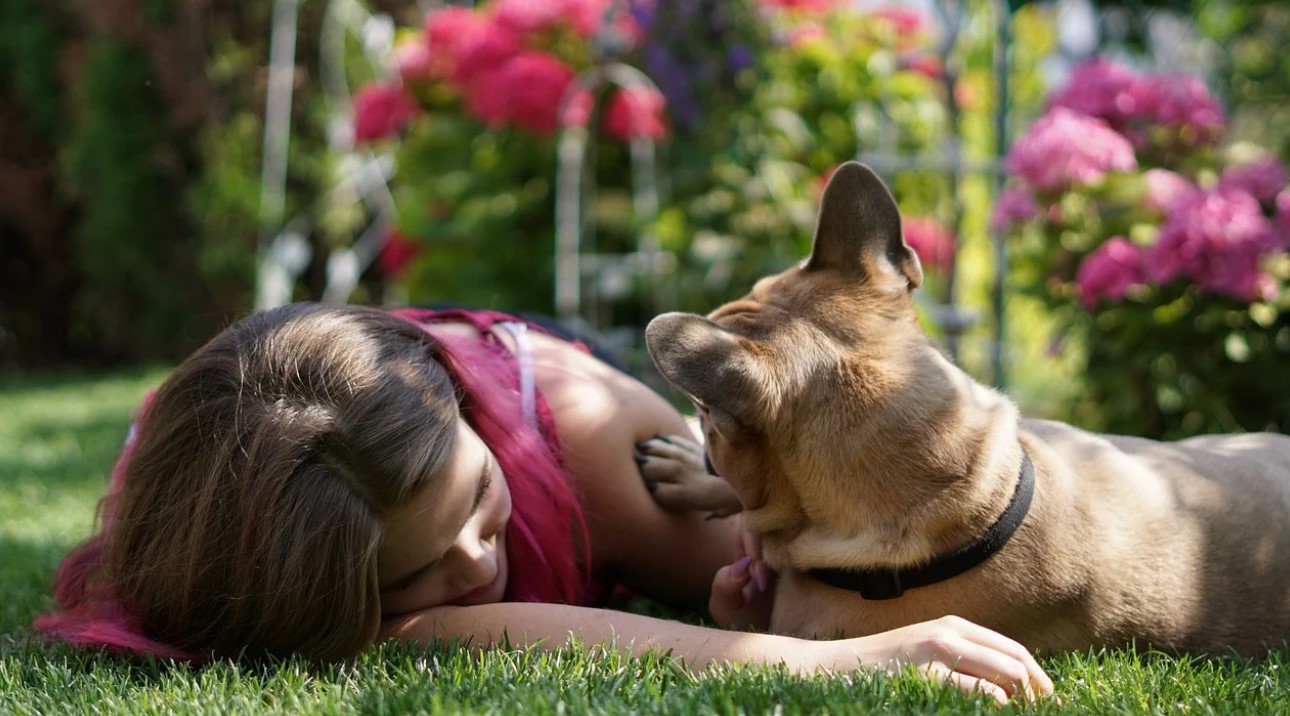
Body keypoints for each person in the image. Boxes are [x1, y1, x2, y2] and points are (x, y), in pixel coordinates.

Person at [37, 303, 1052, 704]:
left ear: (478, 425)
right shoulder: (228, 524)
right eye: (412, 572)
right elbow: (427, 635)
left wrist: (801, 621)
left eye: (480, 503)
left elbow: (845, 566)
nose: (477, 563)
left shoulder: (591, 439)